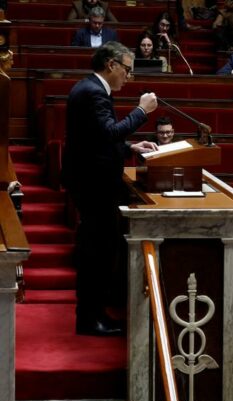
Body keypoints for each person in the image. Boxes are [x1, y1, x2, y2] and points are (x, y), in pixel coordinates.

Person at [62, 42, 158, 335]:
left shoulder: (89, 87)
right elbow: (106, 133)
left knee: (98, 250)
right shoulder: (93, 92)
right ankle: (91, 319)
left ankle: (93, 315)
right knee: (97, 252)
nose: (128, 76)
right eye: (127, 69)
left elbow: (97, 139)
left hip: (90, 179)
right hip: (95, 184)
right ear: (111, 64)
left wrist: (129, 146)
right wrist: (141, 111)